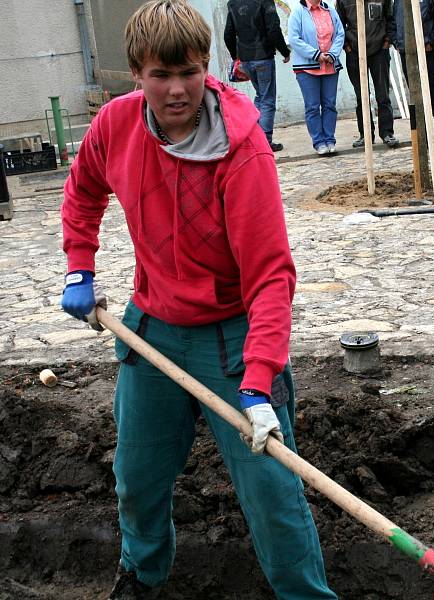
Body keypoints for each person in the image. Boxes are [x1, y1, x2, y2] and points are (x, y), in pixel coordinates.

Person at [60, 2, 338, 599]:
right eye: (161, 75)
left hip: (232, 339)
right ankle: (141, 577)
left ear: (206, 68)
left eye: (188, 72)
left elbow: (269, 276)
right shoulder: (115, 126)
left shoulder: (242, 148)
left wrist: (260, 381)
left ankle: (305, 596)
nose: (177, 89)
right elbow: (82, 188)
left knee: (271, 491)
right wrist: (79, 268)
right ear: (137, 74)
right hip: (152, 326)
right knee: (137, 477)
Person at [225, 0, 291, 151]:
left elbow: (228, 33)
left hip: (246, 59)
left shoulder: (233, 3)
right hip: (263, 57)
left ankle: (255, 137)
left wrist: (235, 56)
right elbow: (273, 28)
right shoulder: (265, 1)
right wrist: (285, 52)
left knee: (260, 96)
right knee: (267, 99)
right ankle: (265, 141)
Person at [337, 0, 400, 148]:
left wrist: (387, 42)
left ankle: (387, 133)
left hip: (379, 51)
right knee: (361, 96)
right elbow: (338, 24)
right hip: (354, 52)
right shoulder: (343, 1)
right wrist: (347, 47)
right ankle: (365, 134)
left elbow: (390, 19)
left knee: (382, 95)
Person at [392, 0, 434, 152]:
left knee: (433, 93)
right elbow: (393, 21)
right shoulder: (398, 2)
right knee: (415, 96)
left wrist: (433, 41)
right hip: (407, 53)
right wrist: (396, 42)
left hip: (427, 51)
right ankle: (422, 135)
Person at [288, 0, 345, 155]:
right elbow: (294, 38)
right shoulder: (297, 12)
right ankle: (319, 142)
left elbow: (340, 33)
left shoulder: (330, 10)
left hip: (330, 65)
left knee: (329, 105)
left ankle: (330, 139)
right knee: (312, 106)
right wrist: (316, 55)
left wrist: (332, 54)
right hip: (307, 68)